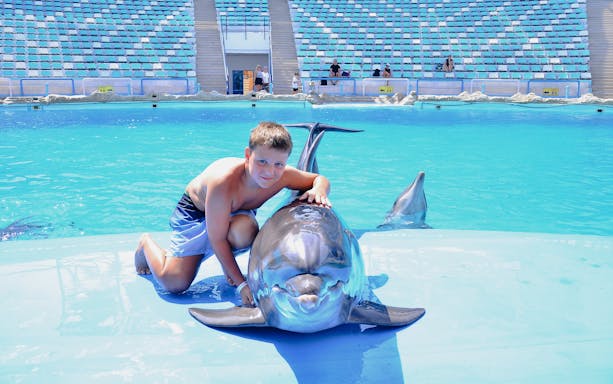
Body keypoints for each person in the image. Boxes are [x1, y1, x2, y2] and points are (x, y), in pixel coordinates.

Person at [134, 122, 332, 306]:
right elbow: (217, 239)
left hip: (235, 215)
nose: (270, 172)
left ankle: (228, 266)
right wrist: (241, 284)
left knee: (244, 231)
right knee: (175, 284)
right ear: (248, 155)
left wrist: (319, 191)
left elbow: (319, 179)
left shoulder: (283, 176)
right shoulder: (224, 183)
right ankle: (145, 243)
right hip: (196, 214)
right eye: (262, 161)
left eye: (278, 164)